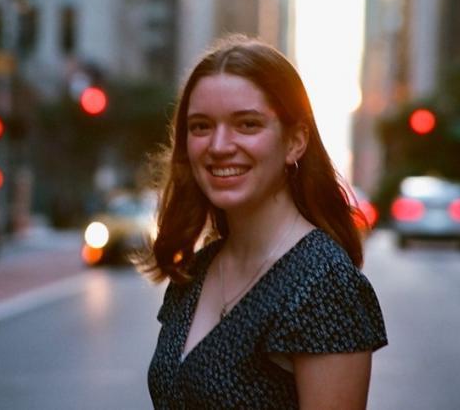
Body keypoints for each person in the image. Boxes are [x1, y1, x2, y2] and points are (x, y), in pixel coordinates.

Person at [144, 35, 387, 409]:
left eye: (247, 124)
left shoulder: (323, 283)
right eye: (201, 127)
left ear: (295, 142)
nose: (220, 145)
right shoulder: (195, 272)